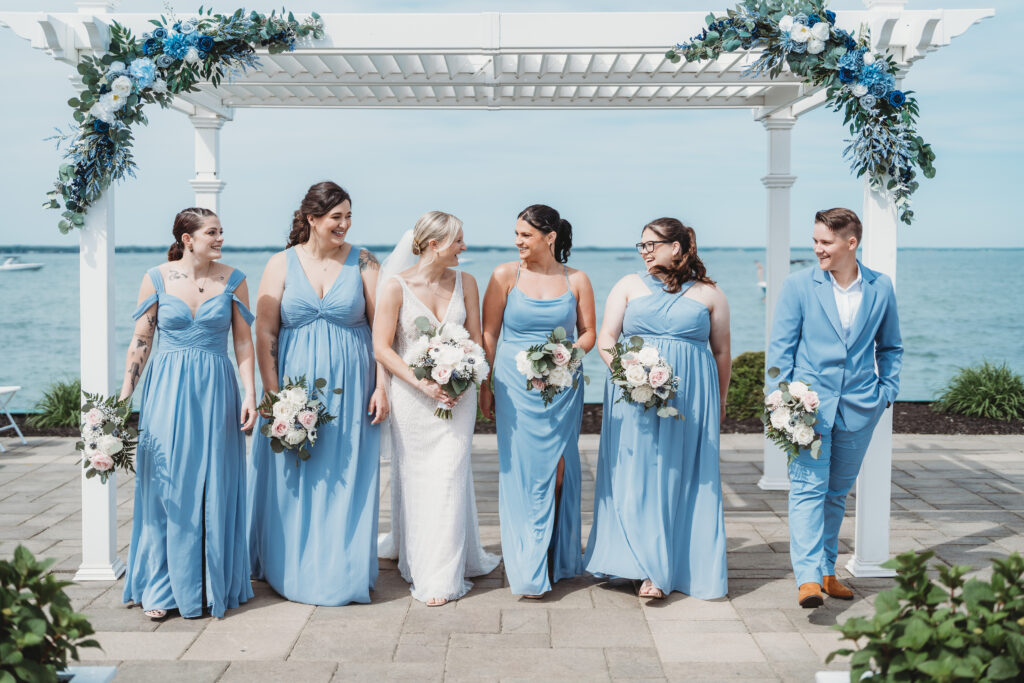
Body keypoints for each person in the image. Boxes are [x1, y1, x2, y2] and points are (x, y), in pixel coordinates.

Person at [247, 181, 388, 606]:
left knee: (347, 475)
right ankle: (289, 567)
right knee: (294, 477)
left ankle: (341, 571)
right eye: (335, 217)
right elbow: (265, 331)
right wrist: (273, 398)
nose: (344, 224)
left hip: (351, 387)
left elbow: (383, 331)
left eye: (348, 216)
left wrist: (382, 386)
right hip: (294, 388)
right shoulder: (280, 264)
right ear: (312, 219)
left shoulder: (363, 261)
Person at [121, 207, 257, 620]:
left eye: (220, 232)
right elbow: (141, 341)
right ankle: (163, 586)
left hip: (217, 390)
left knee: (215, 485)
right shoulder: (157, 277)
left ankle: (210, 584)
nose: (220, 239)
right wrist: (123, 397)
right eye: (212, 232)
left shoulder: (234, 279)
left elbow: (244, 345)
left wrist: (251, 393)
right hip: (167, 391)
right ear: (187, 239)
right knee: (167, 484)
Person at [584, 217, 730, 599]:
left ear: (677, 248)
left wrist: (721, 404)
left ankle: (671, 566)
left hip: (691, 401)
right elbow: (606, 339)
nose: (645, 251)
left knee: (681, 476)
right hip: (633, 397)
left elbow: (722, 353)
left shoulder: (710, 294)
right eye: (642, 246)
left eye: (651, 244)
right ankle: (639, 562)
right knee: (636, 475)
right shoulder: (628, 285)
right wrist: (631, 375)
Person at [767, 207, 902, 608]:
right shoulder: (798, 286)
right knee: (808, 490)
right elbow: (780, 352)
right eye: (815, 241)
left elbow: (891, 346)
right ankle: (807, 578)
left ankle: (827, 570)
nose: (817, 249)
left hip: (861, 408)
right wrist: (782, 402)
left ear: (851, 243)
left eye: (825, 242)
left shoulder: (881, 287)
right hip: (806, 409)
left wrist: (886, 393)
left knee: (837, 493)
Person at [373, 211, 500, 606]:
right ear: (434, 245)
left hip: (457, 399)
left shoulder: (468, 283)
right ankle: (420, 557)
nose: (464, 247)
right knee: (414, 478)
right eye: (458, 240)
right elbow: (382, 347)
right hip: (412, 399)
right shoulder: (395, 287)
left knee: (449, 475)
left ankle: (441, 577)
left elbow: (477, 339)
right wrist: (422, 383)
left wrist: (477, 384)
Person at [480, 204, 596, 598]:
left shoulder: (576, 279)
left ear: (550, 237)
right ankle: (526, 556)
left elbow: (588, 333)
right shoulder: (504, 276)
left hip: (562, 386)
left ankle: (551, 549)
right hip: (515, 385)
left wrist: (566, 356)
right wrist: (487, 384)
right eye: (516, 234)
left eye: (525, 235)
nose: (518, 242)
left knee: (559, 468)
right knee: (521, 469)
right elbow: (489, 333)